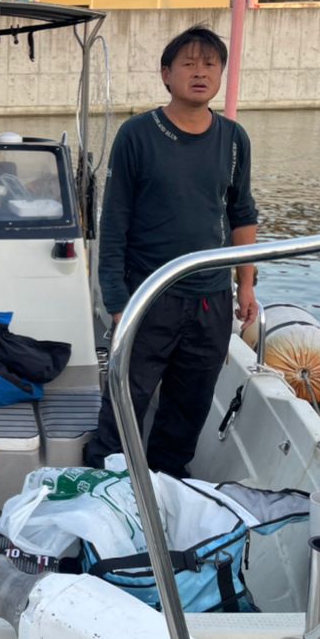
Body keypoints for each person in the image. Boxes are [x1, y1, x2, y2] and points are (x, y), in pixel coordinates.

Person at [84, 24, 258, 478]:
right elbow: (115, 221)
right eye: (188, 64)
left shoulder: (234, 140)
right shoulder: (137, 135)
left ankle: (166, 493)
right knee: (125, 402)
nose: (200, 73)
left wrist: (245, 286)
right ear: (166, 74)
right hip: (149, 297)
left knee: (189, 408)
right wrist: (118, 302)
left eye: (210, 64)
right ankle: (103, 485)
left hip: (211, 301)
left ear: (220, 74)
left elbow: (241, 215)